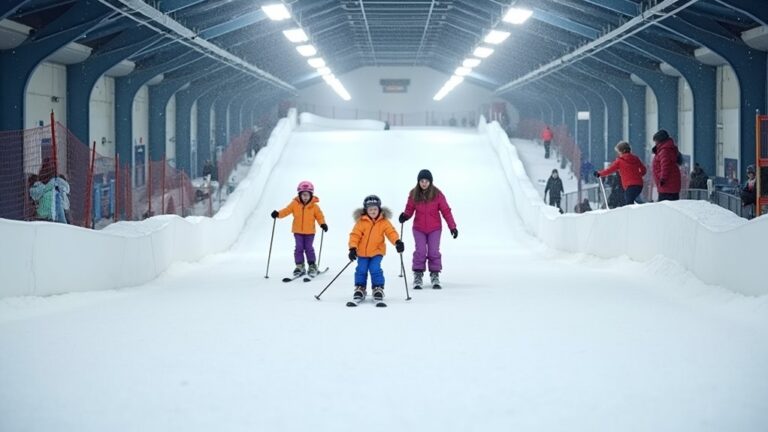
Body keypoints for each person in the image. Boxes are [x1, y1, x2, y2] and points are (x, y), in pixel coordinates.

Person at [398, 169, 458, 290]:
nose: (424, 183)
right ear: (418, 182)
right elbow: (409, 209)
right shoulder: (414, 194)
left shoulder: (437, 194)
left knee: (433, 251)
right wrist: (405, 216)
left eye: (426, 181)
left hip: (434, 228)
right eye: (422, 181)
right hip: (419, 228)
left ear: (430, 182)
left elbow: (446, 211)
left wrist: (452, 227)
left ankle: (435, 275)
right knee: (420, 251)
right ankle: (418, 275)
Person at [349, 195, 403, 302]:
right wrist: (352, 248)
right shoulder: (361, 222)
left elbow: (391, 232)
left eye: (375, 209)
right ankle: (360, 288)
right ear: (366, 210)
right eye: (370, 209)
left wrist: (397, 241)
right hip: (362, 253)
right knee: (361, 269)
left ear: (379, 209)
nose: (373, 211)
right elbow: (355, 235)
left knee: (375, 268)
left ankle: (378, 288)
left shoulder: (384, 222)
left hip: (377, 252)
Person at [271, 181, 328, 277]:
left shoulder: (314, 206)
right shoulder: (295, 204)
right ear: (299, 195)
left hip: (310, 232)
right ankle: (300, 266)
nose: (305, 197)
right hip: (297, 231)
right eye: (303, 195)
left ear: (311, 195)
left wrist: (322, 224)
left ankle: (312, 265)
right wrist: (278, 214)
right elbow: (286, 210)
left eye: (307, 195)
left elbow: (319, 216)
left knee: (309, 248)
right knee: (299, 248)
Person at [594, 141, 647, 206]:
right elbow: (644, 170)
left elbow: (609, 170)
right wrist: (637, 176)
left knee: (629, 204)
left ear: (622, 151)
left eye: (618, 152)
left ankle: (633, 215)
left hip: (629, 186)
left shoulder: (620, 161)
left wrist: (599, 173)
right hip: (639, 185)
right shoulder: (636, 158)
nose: (618, 154)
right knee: (634, 200)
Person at [651, 129, 682, 201]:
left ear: (660, 141)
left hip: (666, 185)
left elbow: (665, 166)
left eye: (655, 141)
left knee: (665, 208)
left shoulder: (664, 151)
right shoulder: (668, 149)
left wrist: (662, 179)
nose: (655, 143)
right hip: (670, 184)